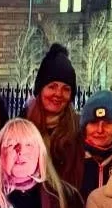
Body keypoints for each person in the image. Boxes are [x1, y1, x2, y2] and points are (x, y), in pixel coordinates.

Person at [26, 43, 83, 189]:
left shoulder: (80, 129)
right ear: (40, 89)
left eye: (66, 89)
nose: (58, 94)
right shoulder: (23, 127)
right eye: (52, 87)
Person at [79, 93, 112, 196]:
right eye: (94, 122)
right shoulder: (71, 158)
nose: (100, 130)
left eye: (107, 123)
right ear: (84, 127)